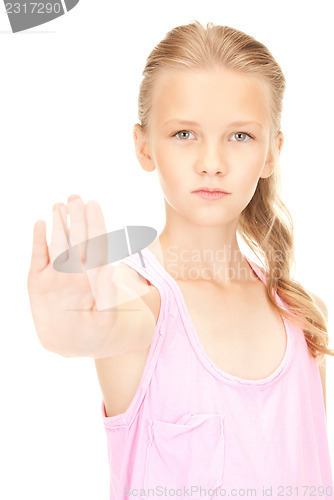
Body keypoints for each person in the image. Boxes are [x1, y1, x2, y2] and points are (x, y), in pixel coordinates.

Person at [27, 20, 334, 500]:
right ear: (144, 145)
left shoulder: (302, 316)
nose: (211, 161)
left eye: (240, 137)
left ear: (273, 152)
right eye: (185, 133)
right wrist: (68, 328)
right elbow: (104, 326)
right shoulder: (138, 297)